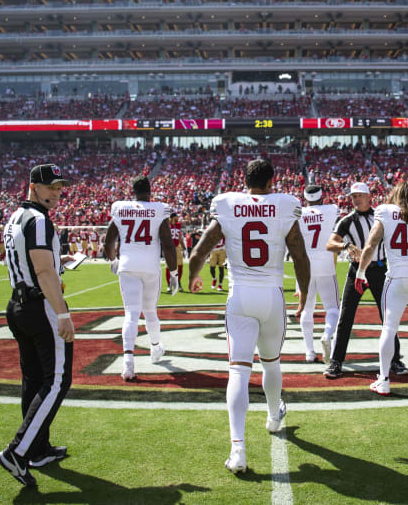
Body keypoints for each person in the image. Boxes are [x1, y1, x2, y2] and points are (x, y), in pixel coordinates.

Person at [188, 158, 310, 474]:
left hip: (240, 295)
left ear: (245, 180)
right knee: (271, 362)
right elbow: (299, 255)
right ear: (272, 181)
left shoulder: (228, 204)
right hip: (271, 295)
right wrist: (306, 295)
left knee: (239, 371)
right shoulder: (284, 205)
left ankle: (238, 450)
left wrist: (193, 276)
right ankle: (272, 417)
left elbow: (200, 250)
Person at [0, 163, 75, 488]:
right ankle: (18, 451)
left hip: (17, 304)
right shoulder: (40, 220)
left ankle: (38, 449)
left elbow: (29, 262)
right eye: (51, 187)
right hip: (40, 305)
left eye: (59, 187)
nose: (57, 192)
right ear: (33, 186)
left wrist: (59, 264)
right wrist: (62, 313)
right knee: (57, 381)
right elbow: (42, 271)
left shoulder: (16, 217)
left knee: (32, 378)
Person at [355, 181, 408, 396]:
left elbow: (371, 243)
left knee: (389, 328)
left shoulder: (385, 211)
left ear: (395, 195)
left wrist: (360, 272)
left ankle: (383, 379)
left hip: (398, 276)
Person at [324, 182, 408, 379]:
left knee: (388, 316)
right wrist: (346, 246)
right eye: (353, 196)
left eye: (360, 195)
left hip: (379, 270)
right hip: (356, 271)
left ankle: (395, 359)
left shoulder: (381, 216)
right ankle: (336, 361)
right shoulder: (347, 220)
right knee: (345, 317)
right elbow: (330, 243)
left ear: (369, 196)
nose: (356, 199)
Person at [104, 175, 178, 382]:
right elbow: (167, 244)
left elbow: (109, 240)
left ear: (133, 191)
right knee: (150, 311)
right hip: (150, 267)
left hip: (127, 266)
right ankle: (155, 348)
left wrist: (113, 260)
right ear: (150, 191)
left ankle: (128, 362)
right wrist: (173, 273)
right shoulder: (158, 209)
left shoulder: (120, 208)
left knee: (131, 314)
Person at [296, 184, 340, 363]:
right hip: (325, 261)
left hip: (305, 263)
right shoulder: (331, 209)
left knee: (307, 308)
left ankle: (309, 352)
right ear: (322, 196)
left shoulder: (299, 213)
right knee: (333, 308)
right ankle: (327, 334)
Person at [165, 212, 185, 292]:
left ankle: (179, 282)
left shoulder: (178, 225)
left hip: (177, 247)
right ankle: (169, 285)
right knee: (168, 266)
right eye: (177, 217)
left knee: (180, 265)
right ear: (173, 217)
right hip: (169, 248)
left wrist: (183, 245)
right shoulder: (167, 224)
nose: (178, 218)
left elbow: (179, 236)